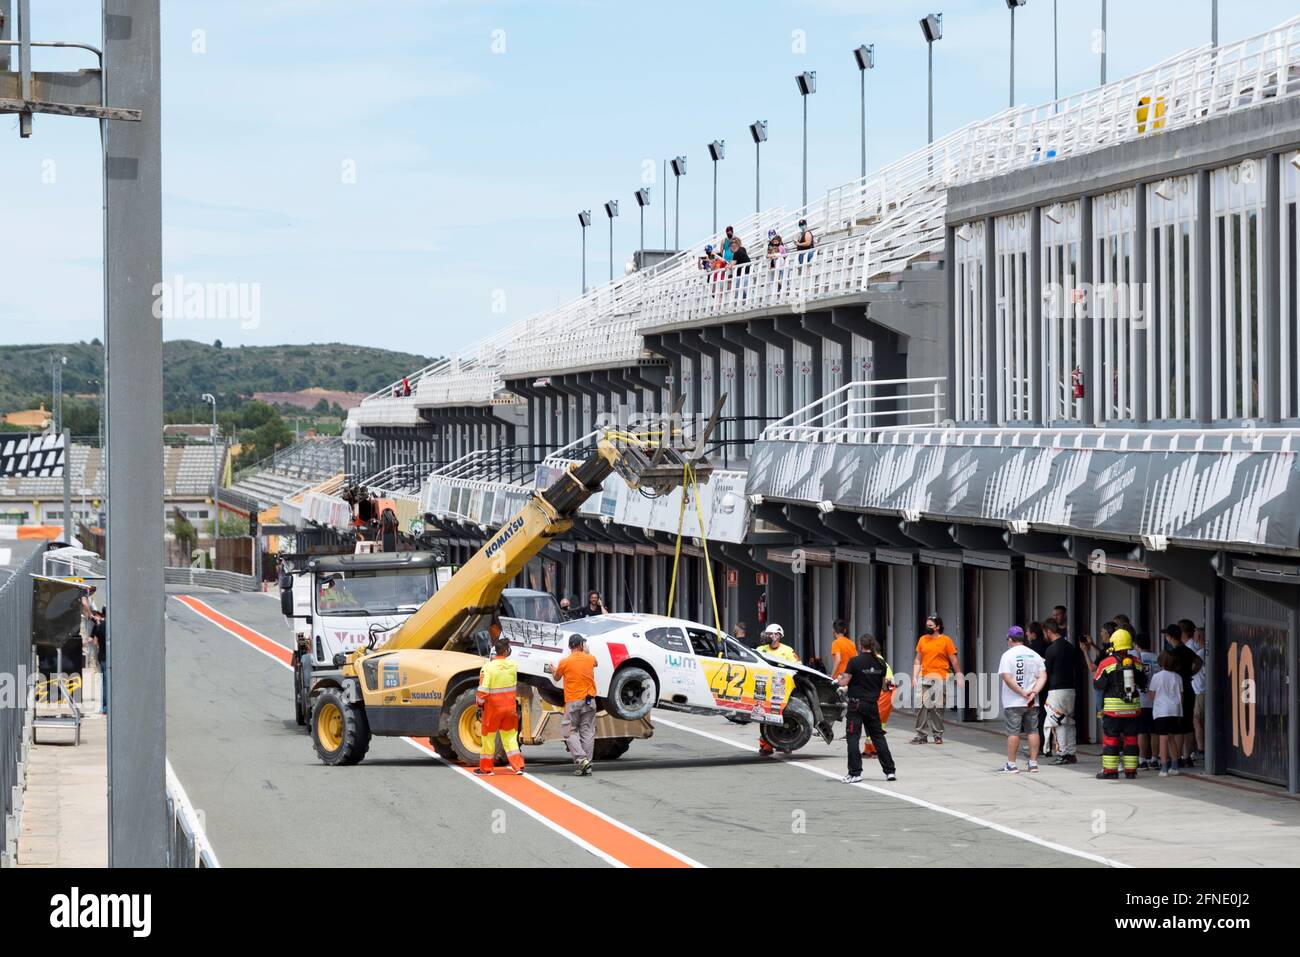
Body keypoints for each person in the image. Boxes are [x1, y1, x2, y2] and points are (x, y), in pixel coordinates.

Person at [838, 634, 897, 783]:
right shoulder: (880, 663)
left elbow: (844, 681)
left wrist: (839, 679)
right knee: (878, 737)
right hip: (872, 704)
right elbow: (884, 686)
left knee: (853, 737)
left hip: (855, 704)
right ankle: (890, 771)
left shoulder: (854, 662)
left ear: (860, 646)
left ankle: (855, 772)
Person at [1093, 628, 1147, 780]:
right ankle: (1131, 771)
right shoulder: (1136, 662)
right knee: (1131, 739)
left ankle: (1110, 771)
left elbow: (1097, 684)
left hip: (1113, 710)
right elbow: (1143, 682)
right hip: (1133, 709)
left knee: (1111, 739)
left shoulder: (1106, 663)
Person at [474, 636, 526, 776]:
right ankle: (518, 766)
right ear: (507, 651)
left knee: (488, 738)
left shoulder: (488, 668)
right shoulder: (513, 665)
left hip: (493, 710)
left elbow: (483, 691)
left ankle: (486, 769)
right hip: (510, 708)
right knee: (510, 737)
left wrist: (479, 706)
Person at [998, 626, 1047, 773]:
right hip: (1032, 701)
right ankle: (1033, 763)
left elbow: (1007, 677)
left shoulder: (1007, 655)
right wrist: (1033, 692)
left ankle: (1011, 764)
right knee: (1033, 731)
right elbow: (1043, 675)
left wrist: (1022, 692)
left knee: (1013, 732)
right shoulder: (1034, 655)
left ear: (1010, 639)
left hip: (1013, 702)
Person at [554, 634, 598, 775]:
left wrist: (552, 669)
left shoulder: (565, 662)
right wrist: (587, 651)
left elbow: (556, 677)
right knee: (588, 732)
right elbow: (595, 663)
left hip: (573, 701)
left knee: (569, 731)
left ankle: (581, 760)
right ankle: (588, 766)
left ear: (569, 646)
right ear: (581, 645)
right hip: (590, 701)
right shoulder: (590, 658)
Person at [911, 614, 958, 745]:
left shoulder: (946, 641)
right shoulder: (922, 640)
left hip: (940, 677)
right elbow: (918, 659)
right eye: (927, 625)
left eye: (930, 625)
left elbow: (953, 660)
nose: (927, 627)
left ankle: (937, 734)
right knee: (921, 706)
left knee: (937, 708)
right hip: (924, 677)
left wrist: (958, 674)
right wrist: (914, 676)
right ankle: (921, 734)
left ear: (937, 627)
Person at [1041, 619, 1080, 764]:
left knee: (1058, 722)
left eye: (1045, 632)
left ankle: (1062, 753)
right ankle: (1071, 752)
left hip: (1057, 690)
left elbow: (1047, 671)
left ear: (1049, 631)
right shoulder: (1070, 646)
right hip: (1071, 689)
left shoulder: (1051, 649)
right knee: (1070, 722)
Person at [756, 623, 798, 756]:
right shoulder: (760, 649)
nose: (767, 636)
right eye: (767, 634)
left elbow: (798, 666)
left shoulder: (788, 650)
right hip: (764, 689)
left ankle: (785, 743)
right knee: (764, 717)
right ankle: (766, 745)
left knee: (783, 716)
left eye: (770, 634)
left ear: (778, 635)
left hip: (782, 690)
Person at [1163, 623, 1201, 768]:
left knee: (1178, 724)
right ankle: (1187, 757)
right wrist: (1190, 673)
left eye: (1166, 635)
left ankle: (1176, 756)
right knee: (1188, 723)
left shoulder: (1172, 653)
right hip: (1189, 686)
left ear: (1170, 637)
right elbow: (1199, 661)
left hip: (1177, 689)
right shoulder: (1187, 650)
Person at [1149, 650, 1184, 777]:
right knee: (1171, 738)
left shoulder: (1156, 677)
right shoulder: (1178, 677)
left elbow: (1152, 695)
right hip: (1175, 711)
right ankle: (1175, 766)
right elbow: (1181, 696)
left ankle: (1163, 767)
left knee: (1162, 738)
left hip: (1161, 711)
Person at [1134, 633, 1160, 769]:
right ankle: (1155, 758)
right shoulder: (1158, 658)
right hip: (1156, 700)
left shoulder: (1136, 659)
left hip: (1141, 699)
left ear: (1137, 645)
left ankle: (1142, 759)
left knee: (1142, 731)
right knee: (1154, 731)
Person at [1189, 625, 1207, 761]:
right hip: (1202, 690)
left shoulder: (1200, 654)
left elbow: (1194, 669)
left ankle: (1201, 748)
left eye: (1195, 635)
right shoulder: (1205, 652)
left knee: (1197, 720)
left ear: (1199, 637)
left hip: (1200, 690)